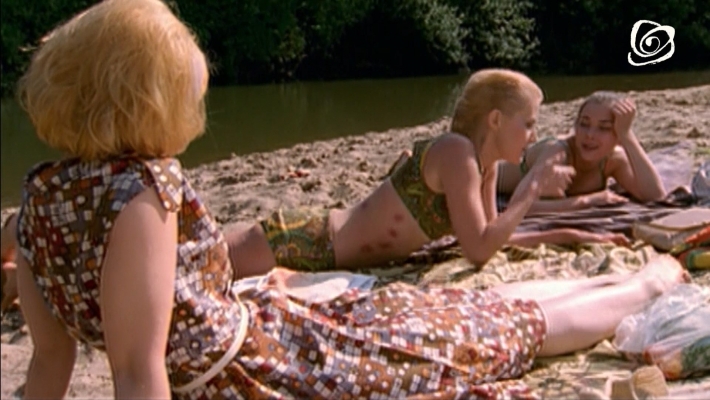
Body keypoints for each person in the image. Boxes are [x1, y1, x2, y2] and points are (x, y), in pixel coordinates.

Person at [10, 1, 692, 398]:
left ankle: (633, 286)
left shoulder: (38, 196)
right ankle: (644, 287)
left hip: (263, 338)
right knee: (469, 335)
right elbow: (137, 372)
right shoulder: (144, 193)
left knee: (449, 314)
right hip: (259, 368)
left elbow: (49, 362)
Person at [227, 70, 628, 279]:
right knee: (202, 261)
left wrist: (572, 234)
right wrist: (533, 185)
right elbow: (479, 250)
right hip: (305, 243)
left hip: (323, 255)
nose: (534, 136)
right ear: (495, 120)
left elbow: (493, 236)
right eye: (528, 124)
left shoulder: (485, 168)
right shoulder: (456, 152)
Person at [497, 91, 666, 214]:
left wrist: (627, 136)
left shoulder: (613, 159)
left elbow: (655, 196)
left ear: (617, 137)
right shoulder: (557, 151)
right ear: (575, 126)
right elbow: (517, 206)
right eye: (584, 124)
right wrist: (587, 201)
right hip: (488, 176)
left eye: (604, 128)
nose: (590, 135)